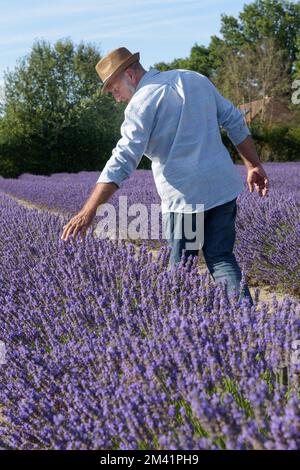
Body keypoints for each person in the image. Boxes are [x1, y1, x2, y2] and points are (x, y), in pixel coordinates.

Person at [61, 47, 269, 305]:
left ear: (130, 75)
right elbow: (234, 119)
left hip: (186, 200)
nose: (117, 98)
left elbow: (123, 158)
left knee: (182, 271)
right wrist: (253, 165)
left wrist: (89, 210)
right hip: (222, 189)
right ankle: (247, 325)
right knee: (221, 258)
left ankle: (182, 336)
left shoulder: (141, 104)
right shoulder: (193, 78)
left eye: (115, 89)